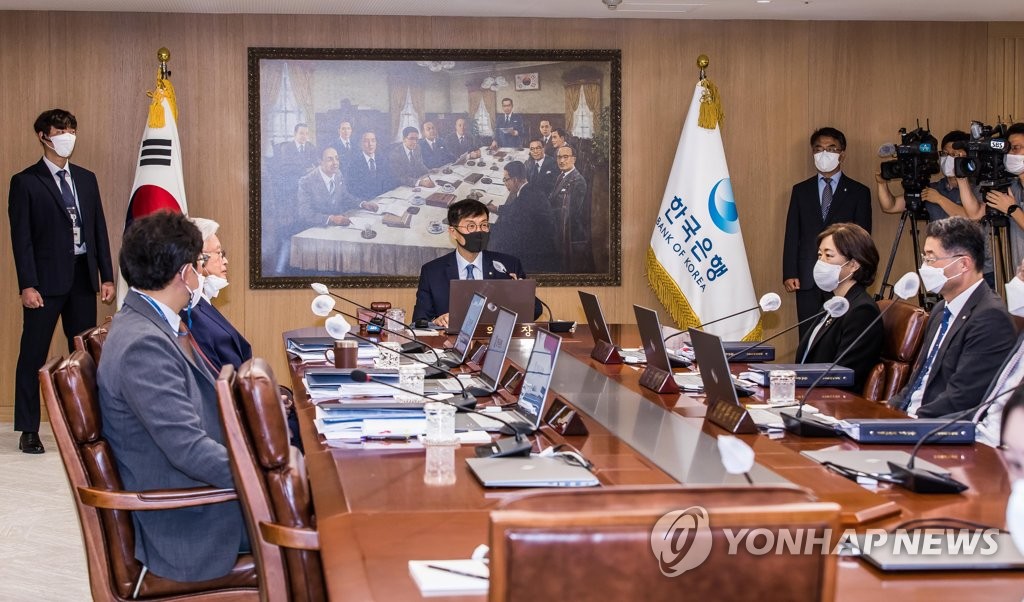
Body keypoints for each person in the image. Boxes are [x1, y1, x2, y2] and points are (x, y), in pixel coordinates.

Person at [97, 211, 248, 583]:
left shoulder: (152, 323)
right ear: (185, 273)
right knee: (326, 526)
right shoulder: (143, 345)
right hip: (190, 520)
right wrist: (265, 473)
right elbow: (189, 451)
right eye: (197, 264)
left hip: (204, 493)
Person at [8, 108, 115, 454]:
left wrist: (107, 276)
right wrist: (27, 285)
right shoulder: (26, 182)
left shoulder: (86, 178)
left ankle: (85, 426)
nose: (67, 136)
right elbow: (21, 240)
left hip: (83, 278)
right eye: (60, 130)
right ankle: (28, 429)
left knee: (82, 358)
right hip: (44, 283)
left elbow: (98, 230)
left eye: (72, 130)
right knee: (33, 355)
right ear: (43, 136)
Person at [185, 217, 303, 452]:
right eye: (219, 253)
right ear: (198, 260)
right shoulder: (190, 313)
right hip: (239, 420)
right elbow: (216, 379)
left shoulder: (200, 304)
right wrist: (261, 404)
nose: (225, 260)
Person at [889, 217, 1016, 418]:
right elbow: (917, 383)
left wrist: (905, 423)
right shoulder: (941, 309)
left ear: (963, 264)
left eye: (931, 259)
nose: (924, 267)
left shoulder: (990, 318)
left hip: (936, 427)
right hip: (909, 417)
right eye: (924, 258)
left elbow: (962, 399)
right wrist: (885, 412)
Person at [782, 127, 872, 338]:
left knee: (839, 334)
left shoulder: (859, 192)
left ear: (842, 154)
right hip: (806, 277)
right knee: (807, 335)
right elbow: (792, 233)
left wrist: (857, 273)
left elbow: (863, 239)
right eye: (818, 149)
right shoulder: (800, 190)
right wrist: (789, 272)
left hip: (843, 276)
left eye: (831, 149)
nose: (824, 154)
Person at [876, 129, 995, 287]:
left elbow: (973, 217)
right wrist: (882, 184)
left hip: (977, 270)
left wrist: (939, 199)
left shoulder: (980, 187)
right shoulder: (934, 188)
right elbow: (890, 206)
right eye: (945, 154)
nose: (949, 158)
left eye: (955, 155)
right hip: (942, 269)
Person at [413, 199, 538, 328]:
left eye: (483, 225)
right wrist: (436, 322)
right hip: (449, 340)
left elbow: (535, 311)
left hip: (494, 338)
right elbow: (419, 322)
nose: (479, 231)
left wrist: (521, 293)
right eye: (471, 226)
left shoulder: (507, 265)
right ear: (453, 232)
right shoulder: (432, 271)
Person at [794, 223, 882, 391]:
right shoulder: (833, 304)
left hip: (830, 400)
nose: (820, 262)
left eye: (828, 255)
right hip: (805, 393)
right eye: (819, 255)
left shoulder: (862, 311)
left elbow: (843, 375)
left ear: (854, 265)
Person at [974, 257, 1024, 447]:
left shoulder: (994, 318)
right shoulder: (1019, 331)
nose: (1016, 282)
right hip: (978, 436)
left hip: (1007, 451)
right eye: (1020, 272)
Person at [488, 161, 558, 273]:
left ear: (515, 180)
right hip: (544, 239)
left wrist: (487, 227)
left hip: (537, 250)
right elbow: (515, 209)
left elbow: (512, 229)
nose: (505, 183)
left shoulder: (524, 199)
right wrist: (496, 209)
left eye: (506, 179)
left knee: (494, 245)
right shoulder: (530, 189)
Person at [297, 146, 376, 228]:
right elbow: (304, 213)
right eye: (330, 159)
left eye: (337, 158)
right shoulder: (306, 182)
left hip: (339, 226)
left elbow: (344, 196)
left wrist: (362, 204)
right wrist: (331, 219)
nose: (335, 163)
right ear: (320, 161)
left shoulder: (338, 174)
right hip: (317, 228)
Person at [980, 122, 1024, 268]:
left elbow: (1010, 208)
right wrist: (962, 178)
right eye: (1008, 149)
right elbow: (975, 213)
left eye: (1016, 148)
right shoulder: (1013, 187)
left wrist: (1012, 209)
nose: (1010, 154)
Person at [549, 145, 589, 272]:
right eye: (559, 157)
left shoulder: (578, 181)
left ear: (574, 159)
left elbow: (571, 213)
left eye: (565, 157)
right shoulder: (562, 175)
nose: (561, 161)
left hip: (569, 233)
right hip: (558, 224)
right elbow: (553, 198)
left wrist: (547, 214)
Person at [346, 131, 390, 200]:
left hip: (382, 200)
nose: (370, 144)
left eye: (373, 141)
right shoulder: (353, 163)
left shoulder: (382, 159)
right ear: (360, 144)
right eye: (366, 141)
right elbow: (353, 190)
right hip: (365, 201)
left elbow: (387, 182)